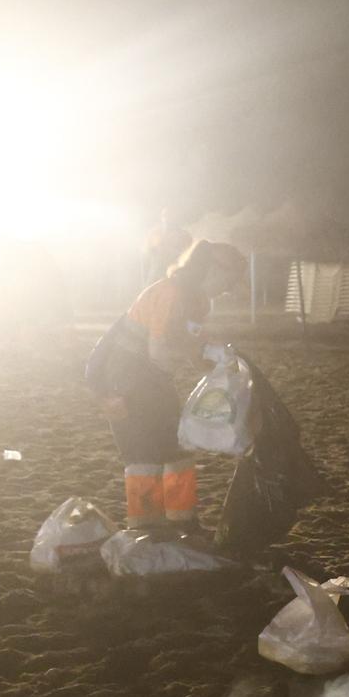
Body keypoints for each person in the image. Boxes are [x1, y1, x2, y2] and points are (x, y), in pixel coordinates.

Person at [86, 239, 248, 531]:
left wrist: (214, 362)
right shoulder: (171, 293)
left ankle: (180, 523)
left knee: (174, 448)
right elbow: (158, 349)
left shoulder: (193, 298)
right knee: (145, 453)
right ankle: (147, 528)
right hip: (129, 379)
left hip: (145, 377)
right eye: (230, 279)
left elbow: (186, 341)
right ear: (211, 269)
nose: (229, 288)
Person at [142, 208, 192, 286]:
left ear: (176, 218)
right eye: (165, 216)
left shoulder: (184, 235)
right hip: (156, 274)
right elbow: (147, 255)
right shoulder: (154, 233)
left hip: (176, 274)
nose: (167, 219)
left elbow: (189, 256)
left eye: (170, 216)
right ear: (161, 217)